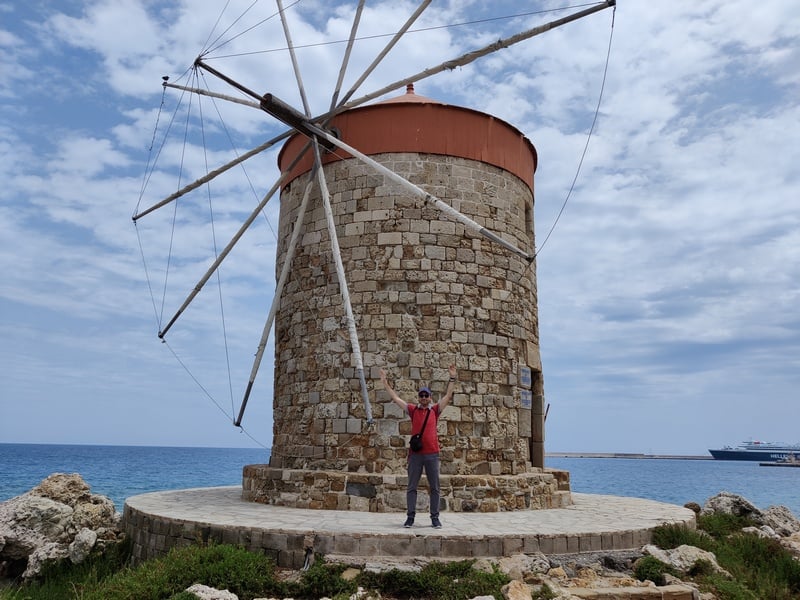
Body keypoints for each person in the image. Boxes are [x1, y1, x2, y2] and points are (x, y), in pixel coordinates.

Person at [379, 364, 457, 528]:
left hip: (432, 454)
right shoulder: (413, 410)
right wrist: (385, 384)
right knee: (411, 487)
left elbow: (448, 396)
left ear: (430, 397)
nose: (423, 398)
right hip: (416, 455)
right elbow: (396, 399)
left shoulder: (435, 410)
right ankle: (410, 517)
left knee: (435, 487)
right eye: (421, 395)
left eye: (426, 395)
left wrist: (452, 378)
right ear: (418, 397)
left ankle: (435, 518)